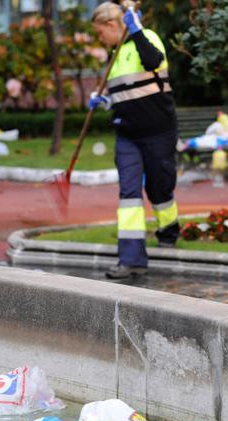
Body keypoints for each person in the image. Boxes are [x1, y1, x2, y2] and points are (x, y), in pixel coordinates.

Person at [89, 1, 179, 279]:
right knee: (129, 195)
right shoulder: (114, 57)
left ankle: (169, 229)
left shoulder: (147, 38)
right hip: (127, 136)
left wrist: (136, 29)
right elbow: (124, 95)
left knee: (159, 187)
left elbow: (153, 62)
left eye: (101, 33)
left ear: (113, 25)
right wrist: (104, 101)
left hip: (158, 131)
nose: (100, 39)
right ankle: (131, 259)